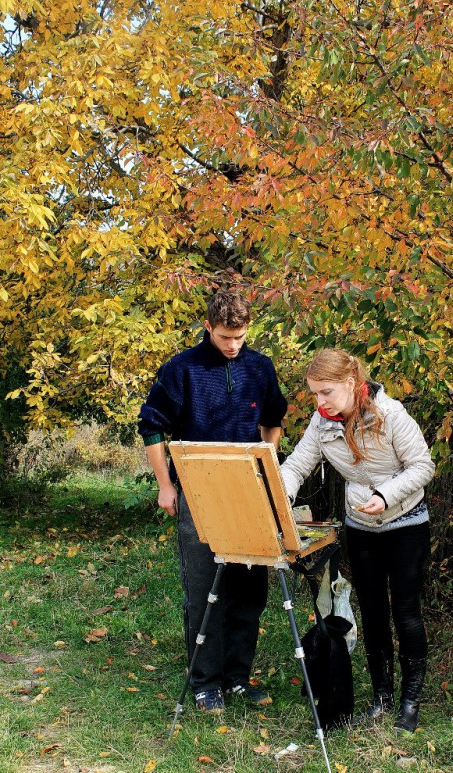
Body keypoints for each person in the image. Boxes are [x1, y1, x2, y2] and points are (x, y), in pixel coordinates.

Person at [138, 291, 287, 714]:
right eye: (225, 336)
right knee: (205, 591)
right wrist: (166, 486)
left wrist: (267, 461)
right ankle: (206, 683)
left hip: (248, 492)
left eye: (240, 336)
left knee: (249, 591)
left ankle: (238, 678)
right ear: (208, 327)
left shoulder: (260, 367)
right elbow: (151, 426)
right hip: (198, 492)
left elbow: (273, 419)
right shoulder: (182, 368)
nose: (233, 345)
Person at [280, 349, 435, 732]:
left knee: (406, 613)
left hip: (406, 523)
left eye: (327, 392)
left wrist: (386, 495)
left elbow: (423, 465)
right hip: (361, 527)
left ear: (351, 384)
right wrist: (280, 495)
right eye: (315, 394)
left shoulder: (391, 414)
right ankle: (382, 695)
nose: (320, 402)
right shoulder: (322, 422)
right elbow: (297, 466)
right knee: (373, 613)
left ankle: (410, 702)